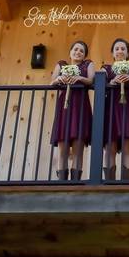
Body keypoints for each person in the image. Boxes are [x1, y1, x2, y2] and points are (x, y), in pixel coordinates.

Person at [49, 40, 95, 180]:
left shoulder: (88, 64)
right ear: (70, 52)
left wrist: (78, 78)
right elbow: (51, 82)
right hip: (64, 105)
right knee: (63, 146)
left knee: (78, 147)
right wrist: (59, 79)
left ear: (84, 55)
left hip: (80, 105)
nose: (78, 52)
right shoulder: (62, 65)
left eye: (81, 51)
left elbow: (91, 80)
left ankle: (75, 181)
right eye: (75, 49)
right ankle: (62, 182)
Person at [100, 38, 129, 181]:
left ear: (128, 53)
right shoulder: (106, 69)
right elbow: (100, 86)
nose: (120, 51)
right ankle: (110, 183)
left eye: (123, 49)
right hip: (111, 108)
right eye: (117, 49)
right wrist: (111, 82)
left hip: (128, 109)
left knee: (127, 145)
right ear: (112, 52)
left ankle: (126, 184)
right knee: (110, 145)